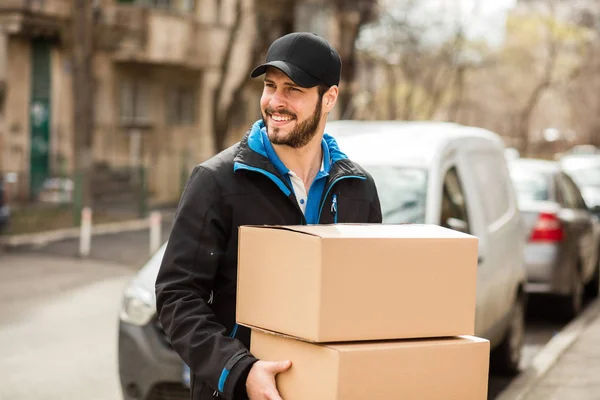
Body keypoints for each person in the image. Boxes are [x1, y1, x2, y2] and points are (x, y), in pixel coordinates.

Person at [155, 32, 382, 400]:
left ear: (329, 98)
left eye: (293, 89)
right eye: (270, 86)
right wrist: (240, 370)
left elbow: (369, 300)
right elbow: (177, 296)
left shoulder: (357, 190)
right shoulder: (217, 182)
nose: (276, 101)